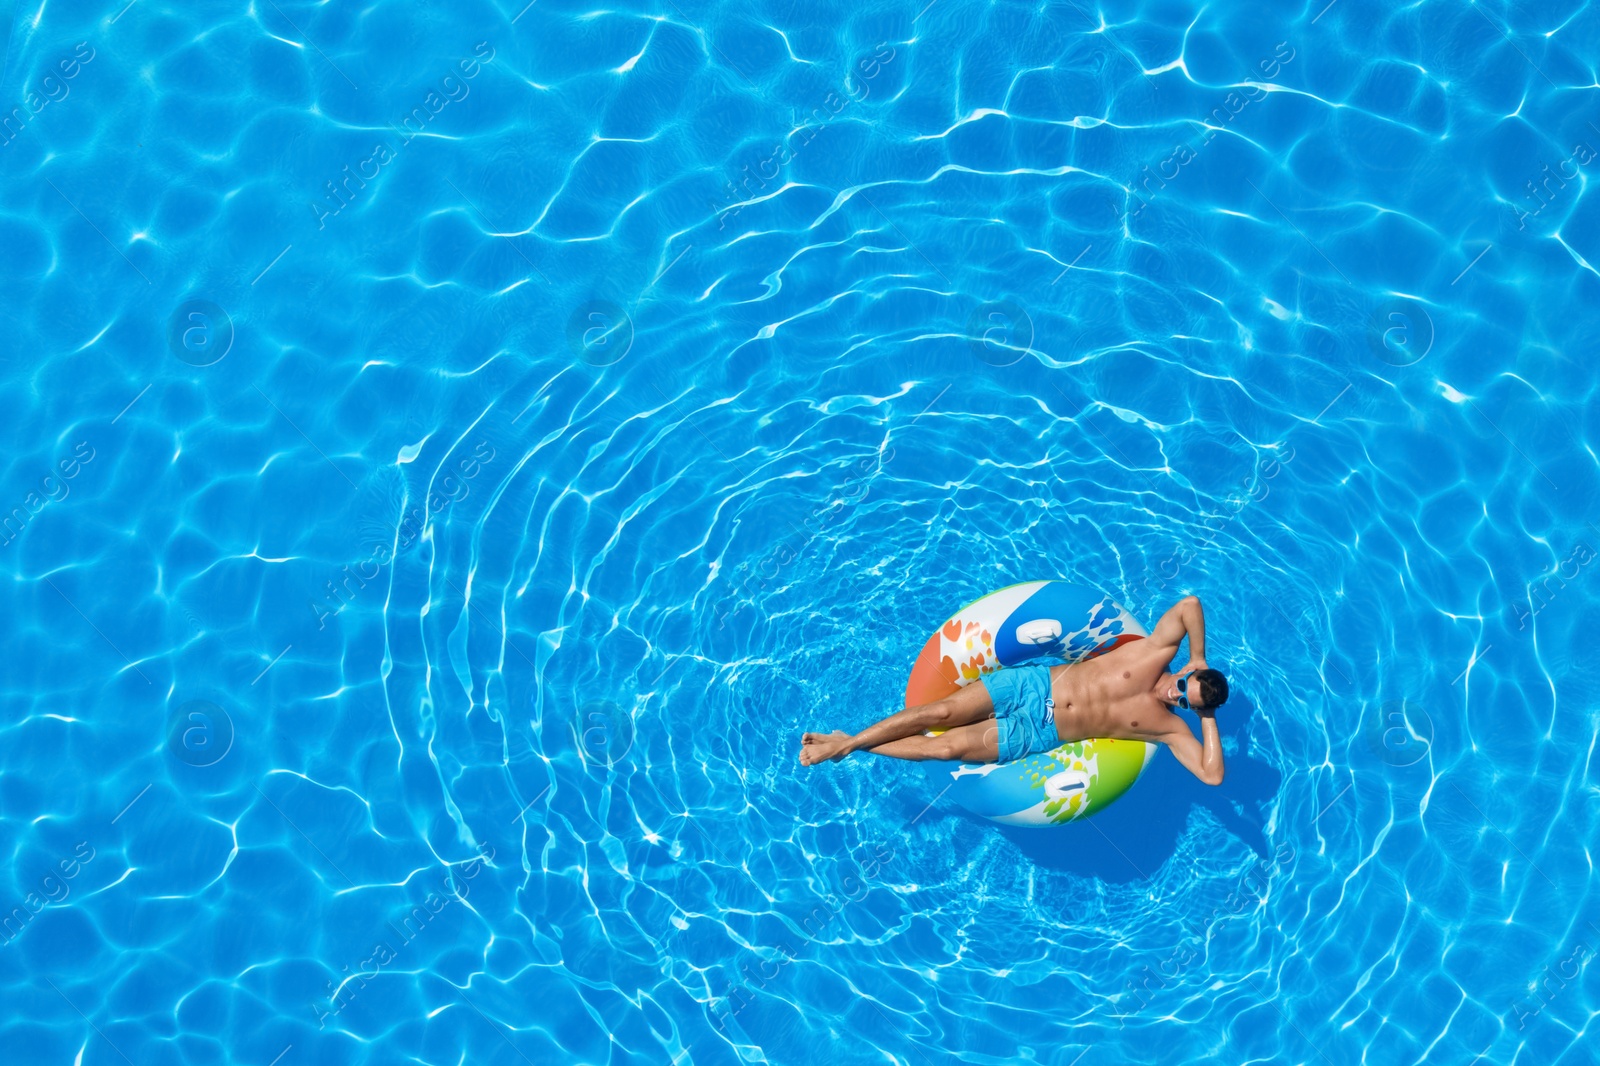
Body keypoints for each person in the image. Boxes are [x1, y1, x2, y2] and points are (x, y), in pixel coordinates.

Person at [798, 594, 1230, 785]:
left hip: (1038, 733)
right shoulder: (1153, 653)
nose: (1173, 696)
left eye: (1183, 703)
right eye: (1181, 687)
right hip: (1030, 685)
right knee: (940, 714)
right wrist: (1200, 657)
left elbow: (1212, 775)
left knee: (944, 750)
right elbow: (1190, 604)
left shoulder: (1170, 729)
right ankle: (847, 743)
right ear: (1185, 673)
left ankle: (845, 744)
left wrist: (1205, 716)